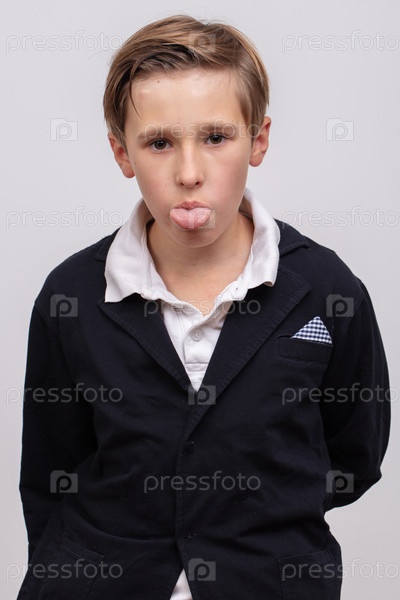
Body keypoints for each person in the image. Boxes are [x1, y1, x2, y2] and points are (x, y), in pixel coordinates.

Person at [17, 14, 390, 600]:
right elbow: (50, 468)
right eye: (159, 143)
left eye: (216, 138)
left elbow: (354, 455)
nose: (189, 173)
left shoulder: (326, 289)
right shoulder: (71, 295)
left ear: (258, 140)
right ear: (121, 152)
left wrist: (257, 522)